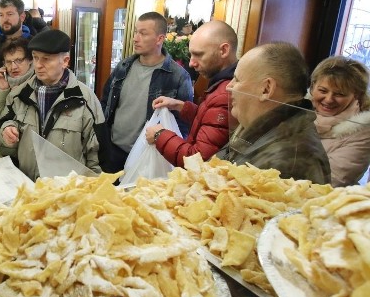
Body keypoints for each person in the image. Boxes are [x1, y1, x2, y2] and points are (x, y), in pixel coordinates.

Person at [0, 29, 106, 179]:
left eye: (46, 59)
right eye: (35, 58)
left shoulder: (85, 99)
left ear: (65, 61)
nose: (38, 65)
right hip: (28, 185)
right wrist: (7, 130)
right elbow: (4, 127)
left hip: (67, 191)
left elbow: (97, 153)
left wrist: (95, 188)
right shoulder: (19, 95)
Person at [216, 42, 330, 184]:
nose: (228, 86)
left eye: (237, 79)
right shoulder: (262, 128)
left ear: (266, 89)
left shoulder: (288, 162)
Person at [100, 11, 193, 173]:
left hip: (147, 156)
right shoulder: (123, 67)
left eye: (143, 33)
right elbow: (105, 103)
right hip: (113, 151)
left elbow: (183, 125)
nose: (135, 38)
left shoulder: (177, 76)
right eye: (136, 32)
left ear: (160, 39)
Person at [145, 20, 237, 167]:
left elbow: (197, 160)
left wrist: (159, 135)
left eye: (198, 55)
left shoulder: (224, 95)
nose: (191, 63)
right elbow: (210, 122)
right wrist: (182, 106)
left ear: (224, 50)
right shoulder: (222, 85)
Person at [309, 56, 370, 186]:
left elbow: (332, 179)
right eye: (323, 90)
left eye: (339, 94)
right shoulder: (296, 109)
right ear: (313, 87)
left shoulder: (363, 130)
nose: (329, 99)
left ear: (357, 95)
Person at [0, 37, 34, 125]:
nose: (13, 67)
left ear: (30, 59)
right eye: (8, 62)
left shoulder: (38, 82)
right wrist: (2, 90)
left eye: (19, 60)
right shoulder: (1, 80)